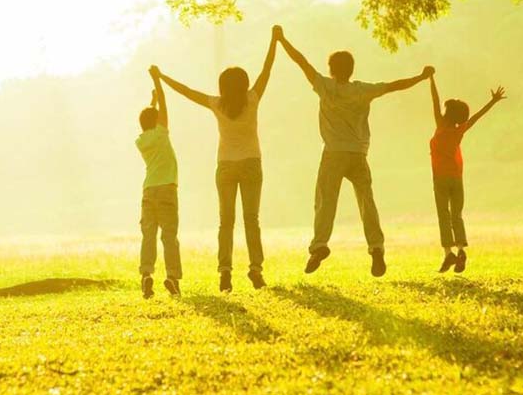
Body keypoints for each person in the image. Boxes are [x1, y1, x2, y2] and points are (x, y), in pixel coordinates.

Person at [276, 26, 432, 277]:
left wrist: (282, 39)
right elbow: (395, 85)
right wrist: (421, 76)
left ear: (331, 69)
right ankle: (376, 247)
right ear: (351, 70)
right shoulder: (363, 90)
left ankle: (319, 246)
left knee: (325, 201)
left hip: (333, 153)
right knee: (366, 201)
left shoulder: (325, 87)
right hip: (358, 154)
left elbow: (301, 62)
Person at [153, 26, 280, 293]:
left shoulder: (217, 104)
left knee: (226, 221)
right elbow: (267, 70)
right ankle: (256, 269)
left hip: (225, 166)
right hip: (251, 164)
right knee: (251, 219)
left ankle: (225, 272)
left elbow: (187, 91)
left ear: (222, 86)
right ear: (245, 84)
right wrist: (274, 40)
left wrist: (161, 77)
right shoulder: (253, 98)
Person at [428, 74, 505, 274]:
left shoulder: (440, 126)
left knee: (443, 216)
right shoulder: (460, 130)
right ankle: (461, 249)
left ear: (447, 114)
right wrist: (493, 101)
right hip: (456, 178)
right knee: (457, 215)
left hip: (440, 179)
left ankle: (448, 253)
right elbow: (477, 116)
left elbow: (435, 101)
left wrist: (431, 79)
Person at [134, 69, 181, 298]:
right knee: (169, 235)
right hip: (167, 189)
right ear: (157, 120)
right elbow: (163, 105)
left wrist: (151, 102)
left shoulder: (141, 141)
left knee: (149, 235)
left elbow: (148, 120)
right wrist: (157, 79)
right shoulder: (162, 133)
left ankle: (146, 274)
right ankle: (172, 277)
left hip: (148, 189)